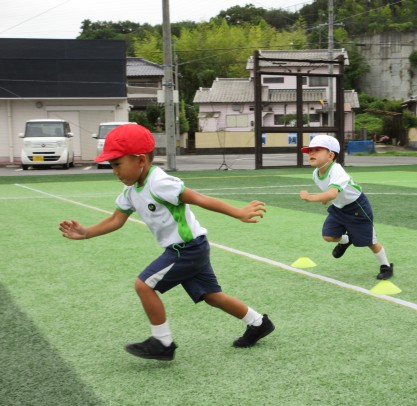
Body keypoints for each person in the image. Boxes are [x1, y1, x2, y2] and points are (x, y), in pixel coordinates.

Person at [59, 124, 274, 361]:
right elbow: (116, 219)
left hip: (187, 249)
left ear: (141, 160)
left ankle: (162, 342)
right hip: (191, 247)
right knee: (212, 296)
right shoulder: (130, 191)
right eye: (112, 165)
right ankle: (258, 322)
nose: (114, 171)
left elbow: (198, 198)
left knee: (143, 285)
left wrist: (238, 212)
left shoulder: (159, 182)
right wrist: (86, 233)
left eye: (117, 164)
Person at [299, 134, 394, 280]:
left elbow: (332, 193)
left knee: (370, 241)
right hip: (339, 208)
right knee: (328, 236)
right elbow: (328, 190)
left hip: (357, 208)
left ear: (330, 155)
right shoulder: (316, 174)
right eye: (309, 150)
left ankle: (386, 266)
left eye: (317, 150)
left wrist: (310, 197)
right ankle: (346, 240)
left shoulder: (336, 170)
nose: (311, 153)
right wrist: (324, 198)